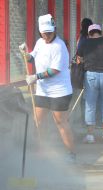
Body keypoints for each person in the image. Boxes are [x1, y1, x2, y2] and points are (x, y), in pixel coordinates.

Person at [20, 14, 76, 162]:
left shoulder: (59, 46)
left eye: (49, 32)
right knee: (38, 121)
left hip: (60, 91)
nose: (47, 35)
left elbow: (55, 70)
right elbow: (33, 57)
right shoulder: (39, 42)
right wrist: (25, 54)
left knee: (60, 122)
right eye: (44, 33)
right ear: (40, 31)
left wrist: (35, 77)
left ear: (54, 30)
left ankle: (71, 154)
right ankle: (42, 149)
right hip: (43, 91)